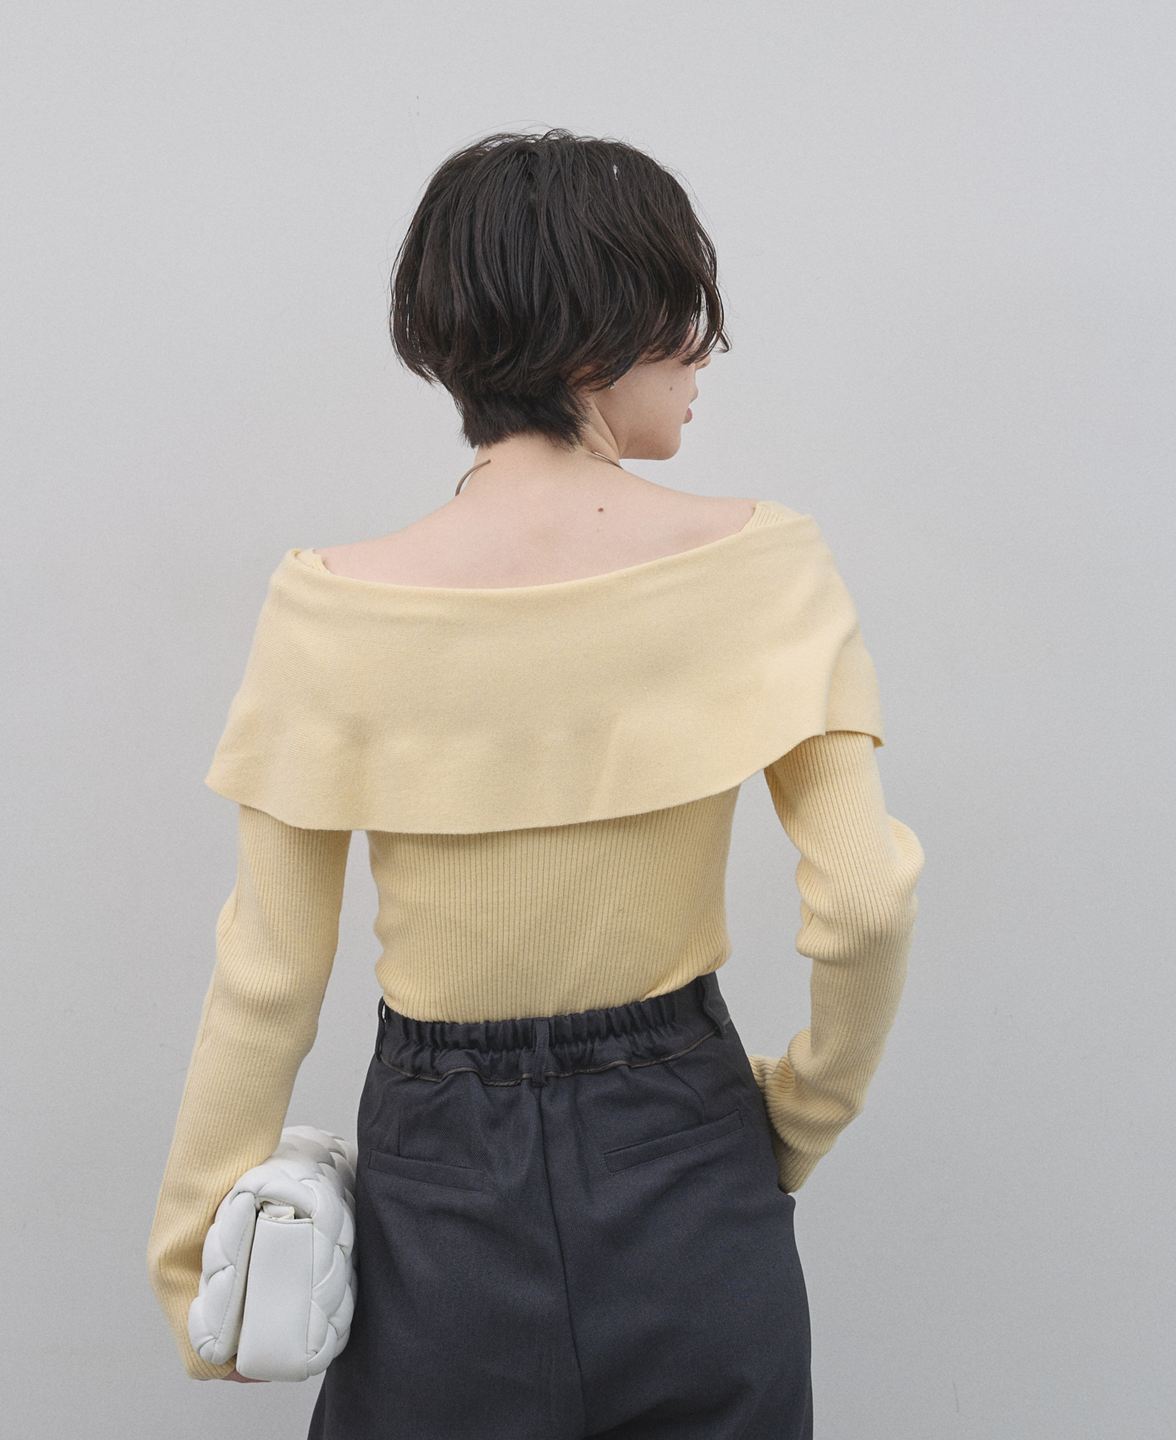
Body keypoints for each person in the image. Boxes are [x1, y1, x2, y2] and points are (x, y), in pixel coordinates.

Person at [145, 127, 925, 1438]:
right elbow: (866, 899)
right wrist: (798, 1117)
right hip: (687, 1147)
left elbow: (268, 968)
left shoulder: (330, 607)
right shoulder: (765, 564)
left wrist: (193, 1257)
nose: (703, 359)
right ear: (597, 339)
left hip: (437, 1179)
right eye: (683, 319)